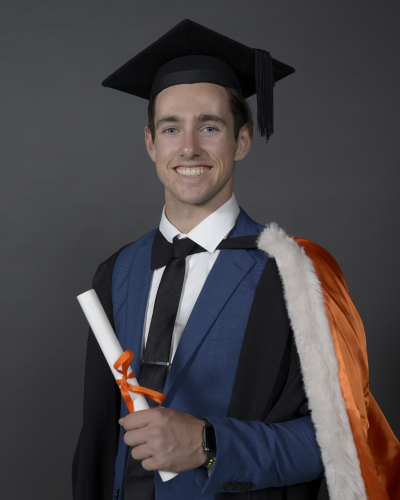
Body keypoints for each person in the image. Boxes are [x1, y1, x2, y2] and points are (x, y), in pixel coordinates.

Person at [72, 19, 400, 500]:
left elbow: (344, 443)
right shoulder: (116, 273)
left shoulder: (294, 274)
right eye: (171, 128)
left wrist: (210, 443)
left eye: (209, 127)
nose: (189, 148)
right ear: (151, 143)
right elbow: (99, 442)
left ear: (242, 140)